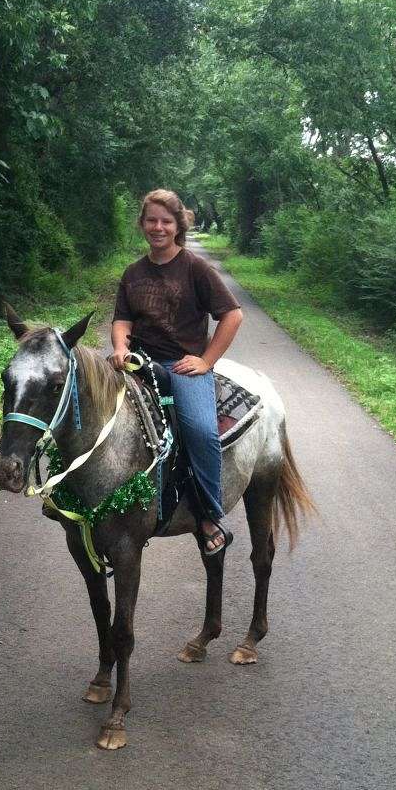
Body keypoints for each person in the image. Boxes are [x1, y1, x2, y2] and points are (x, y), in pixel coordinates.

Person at [111, 189, 243, 554]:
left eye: (166, 221)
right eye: (151, 220)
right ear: (142, 224)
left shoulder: (195, 268)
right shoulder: (133, 273)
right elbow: (122, 320)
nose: (158, 227)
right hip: (139, 362)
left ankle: (210, 514)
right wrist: (120, 347)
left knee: (200, 430)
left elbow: (232, 315)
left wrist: (207, 360)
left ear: (178, 226)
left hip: (183, 367)